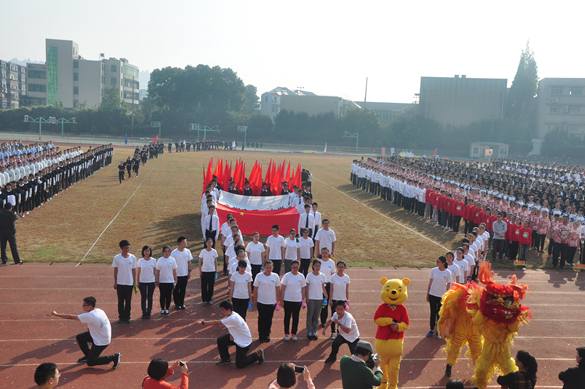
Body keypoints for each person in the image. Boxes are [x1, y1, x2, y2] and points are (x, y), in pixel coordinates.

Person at [51, 296, 121, 369]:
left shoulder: (90, 315)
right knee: (80, 337)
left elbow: (70, 317)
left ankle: (113, 357)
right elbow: (101, 323)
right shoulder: (99, 310)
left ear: (90, 306)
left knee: (91, 362)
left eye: (84, 305)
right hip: (99, 335)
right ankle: (88, 355)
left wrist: (56, 314)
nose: (82, 306)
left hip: (102, 341)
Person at [198, 300, 265, 368]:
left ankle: (258, 354)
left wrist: (203, 322)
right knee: (221, 340)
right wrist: (231, 334)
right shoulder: (232, 314)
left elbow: (216, 322)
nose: (222, 312)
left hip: (244, 342)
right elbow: (234, 327)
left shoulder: (233, 318)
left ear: (229, 309)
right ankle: (226, 359)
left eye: (223, 310)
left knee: (240, 364)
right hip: (237, 337)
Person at [253, 260, 281, 342]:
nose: (268, 269)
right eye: (267, 267)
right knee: (261, 319)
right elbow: (255, 288)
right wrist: (255, 300)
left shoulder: (275, 276)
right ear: (264, 267)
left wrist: (277, 301)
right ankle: (261, 335)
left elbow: (278, 289)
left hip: (271, 301)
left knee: (269, 319)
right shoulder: (259, 276)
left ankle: (267, 334)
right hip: (261, 301)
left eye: (270, 268)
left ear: (272, 268)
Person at [112, 239, 137, 324]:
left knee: (128, 301)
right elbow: (115, 270)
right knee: (120, 301)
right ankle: (121, 317)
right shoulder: (117, 258)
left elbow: (134, 270)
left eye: (128, 248)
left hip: (129, 283)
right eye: (125, 248)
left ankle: (127, 316)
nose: (127, 250)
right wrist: (115, 282)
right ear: (121, 248)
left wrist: (134, 281)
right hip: (120, 283)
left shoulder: (132, 257)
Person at [281, 260, 307, 341]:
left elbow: (303, 289)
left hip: (297, 300)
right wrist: (281, 300)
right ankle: (286, 333)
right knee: (287, 317)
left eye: (297, 267)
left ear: (299, 267)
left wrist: (303, 300)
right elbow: (283, 288)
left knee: (296, 317)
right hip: (287, 299)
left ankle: (294, 333)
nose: (295, 269)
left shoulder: (301, 276)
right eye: (293, 267)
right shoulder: (286, 276)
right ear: (291, 267)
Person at [426, 256, 452, 339]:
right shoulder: (433, 270)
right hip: (432, 294)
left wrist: (447, 297)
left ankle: (438, 330)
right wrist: (427, 294)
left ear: (443, 263)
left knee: (439, 314)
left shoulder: (448, 273)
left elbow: (448, 286)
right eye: (437, 261)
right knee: (432, 312)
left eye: (438, 261)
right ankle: (431, 329)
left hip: (441, 296)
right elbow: (430, 283)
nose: (437, 263)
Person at [305, 259, 327, 341]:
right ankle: (309, 332)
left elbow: (323, 287)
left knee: (317, 316)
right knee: (310, 316)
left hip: (319, 298)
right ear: (313, 266)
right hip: (311, 298)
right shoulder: (309, 276)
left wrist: (326, 295)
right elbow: (307, 288)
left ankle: (314, 332)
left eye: (319, 266)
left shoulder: (322, 276)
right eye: (316, 266)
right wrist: (306, 298)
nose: (318, 267)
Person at [329, 260, 350, 336]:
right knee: (334, 316)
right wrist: (330, 299)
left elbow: (346, 290)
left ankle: (339, 332)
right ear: (336, 267)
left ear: (344, 268)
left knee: (341, 316)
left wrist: (347, 300)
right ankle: (333, 332)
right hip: (335, 299)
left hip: (343, 300)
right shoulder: (333, 277)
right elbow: (331, 289)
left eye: (342, 267)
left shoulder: (346, 277)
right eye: (339, 267)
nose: (340, 268)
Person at [172, 236, 193, 310]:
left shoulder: (187, 251)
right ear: (179, 243)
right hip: (177, 275)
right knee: (176, 290)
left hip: (184, 274)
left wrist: (189, 271)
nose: (185, 244)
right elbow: (172, 264)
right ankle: (176, 303)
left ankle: (182, 302)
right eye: (183, 242)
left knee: (183, 289)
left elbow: (189, 262)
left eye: (186, 242)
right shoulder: (174, 253)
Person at [318, 247, 336, 334]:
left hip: (329, 285)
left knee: (329, 302)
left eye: (326, 252)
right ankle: (323, 320)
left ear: (329, 253)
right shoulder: (319, 262)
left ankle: (329, 320)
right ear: (321, 253)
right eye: (323, 252)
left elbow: (333, 274)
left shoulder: (331, 262)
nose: (324, 254)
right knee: (322, 304)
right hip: (320, 285)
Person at [156, 245, 177, 316]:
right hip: (162, 281)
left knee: (168, 296)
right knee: (162, 296)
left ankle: (167, 309)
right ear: (163, 252)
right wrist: (157, 280)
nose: (167, 253)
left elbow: (174, 270)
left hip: (170, 281)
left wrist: (175, 279)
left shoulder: (172, 260)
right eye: (165, 251)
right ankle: (162, 309)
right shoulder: (160, 260)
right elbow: (157, 271)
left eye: (168, 251)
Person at [137, 245, 156, 319]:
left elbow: (155, 271)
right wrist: (137, 282)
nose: (146, 252)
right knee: (143, 297)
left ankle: (149, 312)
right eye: (145, 251)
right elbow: (138, 272)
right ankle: (144, 312)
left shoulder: (153, 260)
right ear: (143, 252)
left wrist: (156, 281)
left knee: (150, 297)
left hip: (151, 281)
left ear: (150, 251)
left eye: (148, 250)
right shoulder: (140, 261)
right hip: (142, 281)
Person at [199, 238, 218, 306]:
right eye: (208, 242)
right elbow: (199, 261)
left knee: (211, 286)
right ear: (206, 243)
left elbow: (215, 261)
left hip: (212, 271)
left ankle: (209, 299)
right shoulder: (203, 251)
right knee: (204, 285)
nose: (209, 244)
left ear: (212, 243)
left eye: (210, 242)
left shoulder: (214, 251)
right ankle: (204, 299)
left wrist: (216, 271)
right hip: (204, 271)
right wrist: (200, 271)